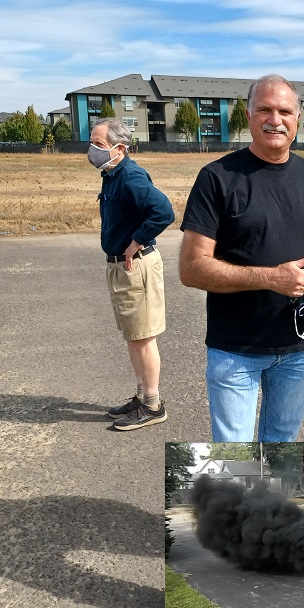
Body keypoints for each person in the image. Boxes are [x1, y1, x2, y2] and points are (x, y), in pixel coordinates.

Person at [179, 74, 304, 442]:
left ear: (298, 119)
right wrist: (270, 278)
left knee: (280, 448)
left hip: (300, 349)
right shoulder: (217, 178)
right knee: (235, 458)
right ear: (249, 114)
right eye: (265, 110)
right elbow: (191, 268)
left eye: (285, 111)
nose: (275, 119)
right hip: (236, 350)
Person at [89, 117, 175, 430]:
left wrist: (136, 241)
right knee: (133, 337)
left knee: (142, 337)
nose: (92, 149)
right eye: (93, 142)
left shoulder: (130, 176)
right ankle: (141, 397)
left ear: (119, 148)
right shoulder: (111, 174)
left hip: (134, 266)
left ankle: (152, 405)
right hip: (121, 267)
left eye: (99, 144)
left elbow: (164, 212)